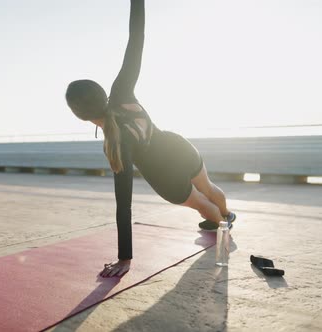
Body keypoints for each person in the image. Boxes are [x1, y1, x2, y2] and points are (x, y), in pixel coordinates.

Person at [65, 0, 235, 278]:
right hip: (178, 147)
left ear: (80, 116)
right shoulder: (121, 92)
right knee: (208, 186)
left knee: (204, 207)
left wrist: (125, 258)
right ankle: (227, 216)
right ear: (101, 94)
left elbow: (124, 204)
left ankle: (223, 225)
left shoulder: (115, 145)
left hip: (165, 176)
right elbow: (136, 38)